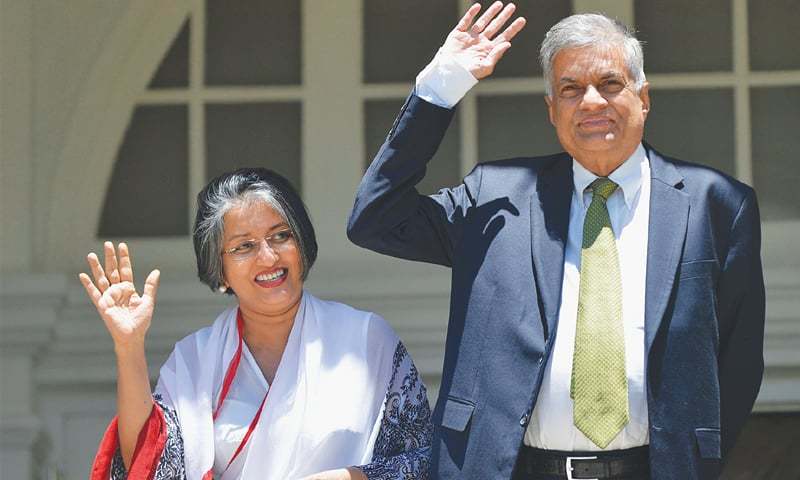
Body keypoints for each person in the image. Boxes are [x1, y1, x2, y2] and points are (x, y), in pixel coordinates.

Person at [347, 2, 765, 479]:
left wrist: (695, 458)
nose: (591, 102)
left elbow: (741, 359)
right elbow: (376, 219)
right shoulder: (496, 196)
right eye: (570, 89)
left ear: (643, 97)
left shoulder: (717, 205)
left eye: (610, 84)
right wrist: (440, 88)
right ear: (552, 109)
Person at [83, 168, 432, 480]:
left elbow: (426, 463)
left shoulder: (366, 339)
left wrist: (349, 478)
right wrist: (128, 346)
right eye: (244, 246)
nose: (268, 257)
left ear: (302, 243)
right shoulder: (196, 359)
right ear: (220, 271)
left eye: (281, 235)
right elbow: (149, 463)